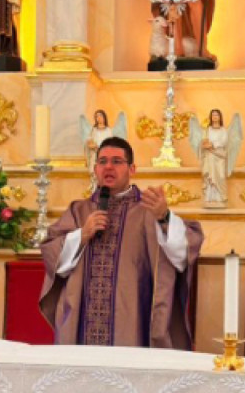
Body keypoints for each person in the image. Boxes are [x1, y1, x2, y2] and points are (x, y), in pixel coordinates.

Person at [39, 137, 203, 349]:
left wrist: (164, 217)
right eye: (102, 161)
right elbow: (54, 259)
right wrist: (82, 235)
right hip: (82, 328)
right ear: (95, 168)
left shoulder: (149, 210)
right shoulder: (78, 211)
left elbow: (182, 255)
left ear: (132, 169)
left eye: (117, 161)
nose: (108, 167)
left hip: (132, 325)